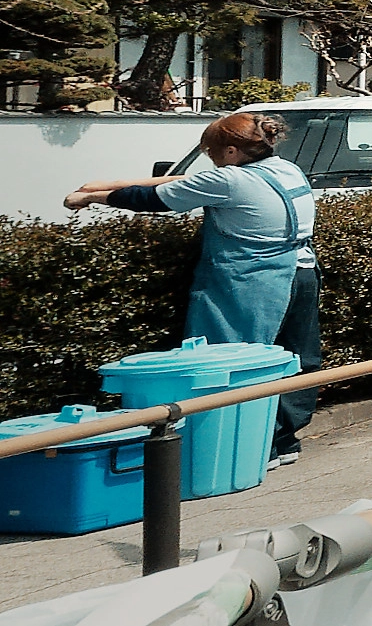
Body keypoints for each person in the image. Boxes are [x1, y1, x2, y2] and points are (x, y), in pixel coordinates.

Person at [64, 113, 322, 468]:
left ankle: (255, 451)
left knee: (234, 362)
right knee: (296, 358)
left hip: (251, 280)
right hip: (302, 272)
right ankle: (285, 440)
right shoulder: (286, 169)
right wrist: (111, 183)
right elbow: (188, 181)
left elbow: (152, 199)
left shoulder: (230, 180)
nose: (210, 159)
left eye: (212, 152)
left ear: (231, 151)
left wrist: (95, 197)